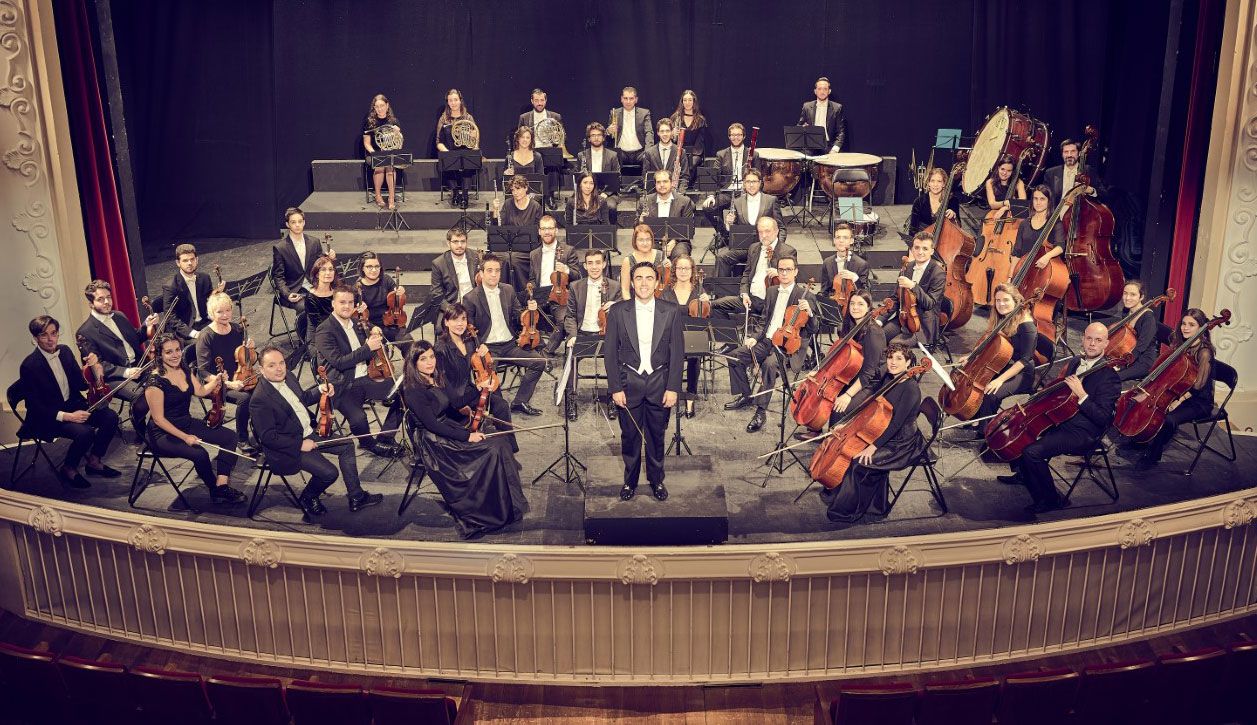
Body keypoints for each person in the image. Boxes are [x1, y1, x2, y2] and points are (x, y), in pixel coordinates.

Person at [402, 340, 525, 538]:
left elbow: (457, 401)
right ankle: (484, 512)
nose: (429, 362)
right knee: (492, 450)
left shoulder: (438, 377)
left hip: (447, 428)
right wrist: (468, 435)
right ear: (413, 363)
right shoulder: (413, 390)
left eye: (432, 357)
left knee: (501, 443)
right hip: (434, 443)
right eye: (423, 359)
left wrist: (479, 388)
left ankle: (504, 506)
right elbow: (433, 425)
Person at [996, 322, 1120, 514]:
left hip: (1084, 430)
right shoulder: (1076, 362)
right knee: (1021, 434)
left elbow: (1103, 419)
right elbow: (1061, 393)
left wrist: (1082, 395)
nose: (1092, 344)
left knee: (1032, 452)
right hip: (1062, 418)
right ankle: (1024, 474)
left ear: (1106, 344)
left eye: (1098, 340)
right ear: (1083, 339)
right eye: (1089, 338)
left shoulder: (1109, 377)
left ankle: (1051, 500)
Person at [249, 346, 383, 520]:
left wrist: (320, 390)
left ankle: (356, 497)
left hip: (308, 432)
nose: (279, 368)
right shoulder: (259, 399)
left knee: (347, 445)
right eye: (272, 365)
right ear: (261, 370)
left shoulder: (288, 376)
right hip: (286, 448)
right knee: (330, 473)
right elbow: (268, 438)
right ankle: (308, 497)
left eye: (281, 363)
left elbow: (302, 399)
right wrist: (300, 444)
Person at [603, 262, 684, 501]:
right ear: (632, 281)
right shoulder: (618, 311)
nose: (644, 283)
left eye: (649, 278)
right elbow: (610, 353)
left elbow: (677, 353)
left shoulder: (670, 310)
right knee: (629, 436)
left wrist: (672, 388)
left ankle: (657, 480)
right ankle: (630, 481)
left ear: (658, 283)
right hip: (629, 384)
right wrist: (615, 388)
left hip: (660, 382)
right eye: (639, 278)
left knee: (656, 435)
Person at [821, 344, 924, 523]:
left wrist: (873, 447)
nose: (893, 363)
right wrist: (846, 425)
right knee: (849, 448)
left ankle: (849, 510)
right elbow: (872, 409)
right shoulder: (889, 378)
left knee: (858, 460)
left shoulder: (910, 389)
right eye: (891, 358)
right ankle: (849, 495)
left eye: (899, 359)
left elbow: (896, 424)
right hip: (885, 432)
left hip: (901, 443)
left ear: (908, 363)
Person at [18, 315, 121, 488]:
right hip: (49, 416)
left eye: (54, 333)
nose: (51, 339)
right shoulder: (29, 366)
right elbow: (34, 407)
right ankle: (69, 468)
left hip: (73, 405)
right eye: (44, 335)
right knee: (85, 432)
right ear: (35, 338)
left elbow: (80, 384)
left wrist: (93, 368)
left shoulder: (64, 351)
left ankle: (94, 461)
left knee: (110, 417)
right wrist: (68, 417)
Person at [142, 333, 245, 504]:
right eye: (169, 352)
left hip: (185, 422)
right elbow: (159, 419)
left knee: (230, 437)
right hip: (162, 434)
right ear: (160, 355)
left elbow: (201, 391)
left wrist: (217, 380)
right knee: (200, 454)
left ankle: (221, 486)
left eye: (177, 350)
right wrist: (186, 437)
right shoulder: (155, 383)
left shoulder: (183, 368)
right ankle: (214, 489)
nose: (175, 355)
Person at [725, 256, 818, 434]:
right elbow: (763, 320)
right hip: (767, 340)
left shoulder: (806, 296)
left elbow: (813, 329)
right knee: (735, 357)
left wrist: (810, 313)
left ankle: (761, 411)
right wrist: (754, 337)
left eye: (788, 270)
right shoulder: (772, 291)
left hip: (788, 346)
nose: (783, 273)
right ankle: (746, 395)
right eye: (781, 269)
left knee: (769, 365)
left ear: (795, 272)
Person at [312, 285, 405, 457]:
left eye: (350, 302)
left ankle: (386, 436)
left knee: (405, 390)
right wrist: (367, 348)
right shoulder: (324, 330)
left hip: (367, 377)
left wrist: (375, 331)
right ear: (333, 304)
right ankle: (368, 444)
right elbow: (339, 362)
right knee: (359, 419)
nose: (347, 306)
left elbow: (373, 339)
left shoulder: (357, 323)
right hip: (342, 385)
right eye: (342, 302)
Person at [462, 254, 548, 416]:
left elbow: (517, 317)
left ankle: (520, 401)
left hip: (510, 344)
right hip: (488, 348)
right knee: (491, 384)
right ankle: (498, 408)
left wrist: (529, 311)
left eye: (497, 271)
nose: (494, 274)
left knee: (539, 362)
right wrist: (478, 347)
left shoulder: (508, 290)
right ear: (481, 273)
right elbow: (468, 331)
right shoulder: (470, 298)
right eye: (489, 271)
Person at [1132, 309, 1216, 468]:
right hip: (1178, 390)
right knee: (1147, 406)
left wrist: (1178, 401)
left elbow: (1198, 386)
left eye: (1192, 325)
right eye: (1184, 323)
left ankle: (1152, 456)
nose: (1186, 328)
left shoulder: (1205, 353)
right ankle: (1141, 440)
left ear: (1201, 328)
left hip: (1197, 401)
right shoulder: (1182, 343)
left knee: (1168, 418)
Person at [798, 290, 885, 435]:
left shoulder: (874, 333)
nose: (855, 308)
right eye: (852, 303)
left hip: (868, 382)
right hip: (850, 373)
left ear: (869, 307)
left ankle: (831, 440)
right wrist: (819, 371)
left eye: (860, 304)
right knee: (820, 391)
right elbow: (837, 355)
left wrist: (848, 395)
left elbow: (869, 373)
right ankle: (815, 427)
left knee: (839, 408)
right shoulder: (849, 325)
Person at [435, 303, 516, 450]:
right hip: (454, 398)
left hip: (469, 390)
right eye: (455, 319)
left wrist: (485, 351)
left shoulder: (469, 342)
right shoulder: (441, 348)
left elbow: (481, 362)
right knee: (498, 404)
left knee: (501, 405)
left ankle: (510, 449)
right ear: (446, 322)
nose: (460, 324)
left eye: (463, 319)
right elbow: (444, 385)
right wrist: (478, 388)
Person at [955, 284, 1037, 423]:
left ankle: (986, 430)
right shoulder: (1003, 317)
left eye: (1005, 300)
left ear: (1016, 301)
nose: (1001, 304)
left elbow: (1024, 360)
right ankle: (975, 418)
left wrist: (1000, 380)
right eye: (998, 300)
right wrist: (971, 357)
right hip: (1003, 363)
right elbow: (988, 343)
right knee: (978, 383)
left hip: (1021, 373)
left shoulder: (1027, 327)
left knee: (990, 393)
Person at [74, 279, 158, 405]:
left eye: (108, 297)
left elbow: (136, 338)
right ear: (91, 304)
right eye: (100, 299)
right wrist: (126, 372)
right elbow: (97, 366)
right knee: (143, 395)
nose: (107, 302)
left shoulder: (119, 316)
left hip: (139, 366)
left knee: (166, 382)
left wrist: (147, 325)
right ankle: (143, 424)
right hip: (114, 377)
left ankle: (160, 421)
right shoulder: (85, 332)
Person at [194, 292, 257, 454]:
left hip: (238, 376)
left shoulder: (237, 329)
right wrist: (228, 383)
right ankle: (242, 438)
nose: (225, 315)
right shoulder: (205, 336)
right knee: (245, 399)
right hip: (214, 383)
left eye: (228, 310)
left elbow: (245, 361)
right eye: (219, 312)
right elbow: (202, 371)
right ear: (211, 313)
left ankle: (261, 431)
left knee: (263, 389)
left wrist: (250, 349)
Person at [563, 248, 617, 419]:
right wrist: (572, 336)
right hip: (582, 334)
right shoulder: (575, 286)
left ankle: (613, 399)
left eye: (598, 263)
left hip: (606, 335)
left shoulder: (614, 286)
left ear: (604, 264)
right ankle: (571, 400)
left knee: (617, 358)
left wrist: (615, 305)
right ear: (585, 266)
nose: (594, 267)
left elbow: (626, 311)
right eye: (590, 263)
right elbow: (570, 316)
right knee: (570, 356)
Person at [711, 216, 797, 319]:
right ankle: (731, 333)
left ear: (776, 231)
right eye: (760, 232)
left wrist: (780, 273)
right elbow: (747, 274)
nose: (763, 236)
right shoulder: (754, 248)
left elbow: (794, 279)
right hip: (751, 299)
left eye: (767, 231)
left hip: (772, 303)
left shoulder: (787, 251)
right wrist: (744, 293)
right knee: (714, 306)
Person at [659, 254, 709, 419]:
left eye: (686, 268)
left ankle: (690, 397)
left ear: (692, 270)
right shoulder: (667, 291)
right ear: (674, 270)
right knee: (668, 355)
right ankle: (669, 392)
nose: (683, 271)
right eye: (679, 268)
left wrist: (707, 302)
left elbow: (706, 317)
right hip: (671, 338)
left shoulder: (699, 291)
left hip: (691, 338)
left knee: (695, 356)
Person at [710, 169, 786, 277]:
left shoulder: (771, 200)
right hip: (743, 248)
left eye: (754, 182)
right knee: (721, 256)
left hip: (765, 246)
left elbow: (781, 228)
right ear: (744, 184)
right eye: (748, 182)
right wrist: (729, 224)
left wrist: (778, 246)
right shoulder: (737, 202)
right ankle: (720, 292)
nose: (751, 185)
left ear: (760, 183)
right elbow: (733, 231)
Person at [271, 207, 331, 339]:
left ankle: (326, 338)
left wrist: (327, 258)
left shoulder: (314, 242)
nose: (297, 225)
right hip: (294, 290)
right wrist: (287, 294)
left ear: (304, 222)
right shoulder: (280, 248)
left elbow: (320, 265)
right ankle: (305, 343)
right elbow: (278, 276)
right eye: (293, 222)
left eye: (300, 221)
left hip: (312, 285)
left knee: (330, 300)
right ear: (287, 225)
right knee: (305, 307)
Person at [879, 232, 945, 347]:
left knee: (895, 345)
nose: (920, 252)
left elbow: (930, 303)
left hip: (923, 326)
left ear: (932, 251)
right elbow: (896, 298)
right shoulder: (907, 267)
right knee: (878, 336)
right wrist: (881, 319)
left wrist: (913, 286)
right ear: (912, 249)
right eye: (917, 248)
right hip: (903, 319)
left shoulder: (938, 273)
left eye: (925, 248)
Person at [527, 215, 581, 355]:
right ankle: (536, 348)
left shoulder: (568, 250)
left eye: (550, 228)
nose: (547, 232)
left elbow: (578, 277)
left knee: (564, 320)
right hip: (540, 296)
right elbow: (533, 279)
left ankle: (546, 352)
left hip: (560, 297)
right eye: (544, 229)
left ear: (556, 230)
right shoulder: (534, 254)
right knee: (521, 318)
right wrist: (530, 288)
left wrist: (566, 270)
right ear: (539, 231)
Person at [491, 175, 543, 292]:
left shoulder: (535, 206)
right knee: (503, 258)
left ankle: (523, 292)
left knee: (513, 259)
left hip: (528, 249)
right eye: (513, 190)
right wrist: (495, 211)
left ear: (526, 188)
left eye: (518, 188)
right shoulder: (508, 204)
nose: (515, 192)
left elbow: (538, 232)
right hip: (509, 247)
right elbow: (498, 227)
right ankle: (502, 292)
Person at [636, 170, 695, 260]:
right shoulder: (644, 201)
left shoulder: (684, 201)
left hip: (678, 241)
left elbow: (689, 229)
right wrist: (640, 221)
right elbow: (636, 229)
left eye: (665, 181)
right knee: (648, 252)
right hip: (652, 241)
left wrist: (674, 242)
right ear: (655, 184)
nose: (662, 185)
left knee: (680, 254)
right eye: (658, 182)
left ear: (672, 183)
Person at [160, 243, 214, 340]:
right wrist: (193, 333)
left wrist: (217, 295)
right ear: (178, 263)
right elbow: (170, 317)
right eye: (185, 260)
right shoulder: (171, 286)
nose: (189, 263)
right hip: (185, 330)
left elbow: (211, 301)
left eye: (192, 259)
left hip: (205, 323)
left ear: (196, 260)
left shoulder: (205, 278)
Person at [435, 88, 477, 206]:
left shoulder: (468, 118)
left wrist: (473, 137)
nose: (453, 103)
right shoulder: (443, 119)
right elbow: (438, 141)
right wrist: (447, 152)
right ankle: (455, 193)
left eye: (455, 100)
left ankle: (464, 196)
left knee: (467, 164)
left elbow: (474, 140)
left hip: (465, 151)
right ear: (447, 102)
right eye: (450, 100)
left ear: (460, 101)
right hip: (449, 151)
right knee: (448, 161)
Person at [353, 251, 406, 345]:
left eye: (377, 266)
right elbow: (354, 316)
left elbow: (397, 298)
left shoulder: (386, 280)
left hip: (391, 322)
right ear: (362, 268)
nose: (374, 270)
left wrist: (400, 292)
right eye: (369, 266)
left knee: (409, 345)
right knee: (379, 355)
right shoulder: (357, 287)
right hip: (370, 326)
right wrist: (358, 308)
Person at [427, 227, 478, 321]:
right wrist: (451, 310)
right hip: (452, 305)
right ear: (448, 243)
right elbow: (436, 293)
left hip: (474, 305)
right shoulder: (439, 263)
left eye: (463, 241)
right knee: (441, 329)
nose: (460, 245)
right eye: (455, 241)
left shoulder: (475, 257)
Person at [1115, 280, 1161, 382]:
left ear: (1141, 297)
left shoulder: (1148, 318)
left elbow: (1141, 347)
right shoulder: (1126, 311)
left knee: (1113, 377)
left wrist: (1122, 365)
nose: (1127, 298)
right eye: (1125, 293)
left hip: (1143, 361)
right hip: (1128, 355)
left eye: (1133, 295)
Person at [1012, 185, 1066, 272]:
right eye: (1035, 198)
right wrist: (1010, 276)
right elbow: (1016, 253)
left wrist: (1047, 256)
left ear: (1049, 201)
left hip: (1042, 271)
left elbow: (1060, 247)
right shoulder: (1024, 224)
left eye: (1042, 199)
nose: (1038, 202)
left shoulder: (1055, 223)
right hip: (1022, 270)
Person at [362, 93, 402, 209]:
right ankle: (378, 195)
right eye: (377, 106)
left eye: (382, 106)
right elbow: (367, 143)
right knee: (380, 166)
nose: (380, 109)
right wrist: (375, 153)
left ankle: (391, 197)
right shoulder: (369, 122)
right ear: (374, 108)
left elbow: (399, 142)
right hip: (374, 153)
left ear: (387, 105)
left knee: (390, 165)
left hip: (390, 152)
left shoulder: (394, 121)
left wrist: (397, 132)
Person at [1043, 137, 1105, 203]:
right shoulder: (1051, 173)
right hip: (1057, 211)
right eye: (1066, 152)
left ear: (1079, 153)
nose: (1069, 155)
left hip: (1082, 211)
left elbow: (1104, 194)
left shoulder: (1088, 170)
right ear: (1062, 154)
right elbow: (1045, 197)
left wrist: (1091, 191)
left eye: (1073, 151)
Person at [819, 223, 872, 300]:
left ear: (851, 241)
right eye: (838, 237)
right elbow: (824, 291)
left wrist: (855, 278)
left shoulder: (861, 264)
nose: (841, 240)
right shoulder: (827, 262)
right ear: (834, 241)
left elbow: (865, 293)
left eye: (845, 238)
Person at [668, 89, 710, 182]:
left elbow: (700, 141)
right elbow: (670, 139)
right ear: (682, 102)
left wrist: (693, 154)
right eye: (685, 100)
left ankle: (687, 185)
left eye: (690, 100)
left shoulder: (700, 120)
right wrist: (672, 135)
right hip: (678, 150)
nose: (687, 103)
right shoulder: (675, 117)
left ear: (694, 102)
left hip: (695, 152)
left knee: (691, 163)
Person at [620, 223, 669, 301]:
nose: (645, 243)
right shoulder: (628, 261)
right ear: (635, 241)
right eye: (641, 240)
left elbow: (668, 283)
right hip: (635, 301)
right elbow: (625, 290)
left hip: (659, 301)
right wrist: (631, 308)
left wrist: (670, 267)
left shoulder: (661, 256)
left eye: (648, 239)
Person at [607, 86, 653, 169]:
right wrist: (608, 131)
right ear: (621, 99)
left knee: (649, 161)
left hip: (640, 153)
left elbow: (649, 132)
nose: (628, 101)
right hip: (621, 153)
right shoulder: (614, 113)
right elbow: (610, 137)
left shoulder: (644, 113)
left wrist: (648, 151)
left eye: (631, 98)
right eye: (625, 98)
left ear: (636, 99)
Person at [641, 119, 690, 192]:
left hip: (674, 195)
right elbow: (646, 177)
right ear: (658, 133)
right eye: (662, 131)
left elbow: (685, 177)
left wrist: (679, 194)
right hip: (656, 195)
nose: (665, 134)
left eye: (667, 131)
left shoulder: (681, 152)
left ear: (671, 132)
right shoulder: (649, 153)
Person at [908, 167, 959, 237]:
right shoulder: (919, 201)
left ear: (944, 184)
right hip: (923, 239)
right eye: (932, 181)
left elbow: (958, 226)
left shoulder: (953, 200)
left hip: (944, 239)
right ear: (928, 183)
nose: (935, 185)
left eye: (939, 181)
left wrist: (954, 217)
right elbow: (913, 228)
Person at [798, 77, 845, 151]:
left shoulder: (837, 108)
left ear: (829, 91)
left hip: (828, 147)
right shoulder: (806, 106)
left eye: (825, 89)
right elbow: (799, 127)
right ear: (815, 91)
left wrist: (835, 149)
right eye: (819, 89)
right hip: (810, 146)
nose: (822, 91)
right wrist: (803, 128)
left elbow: (840, 132)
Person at [303, 256, 339, 341]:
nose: (328, 273)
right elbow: (320, 327)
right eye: (323, 270)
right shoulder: (310, 298)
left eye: (331, 269)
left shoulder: (337, 291)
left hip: (337, 330)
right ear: (317, 274)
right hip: (319, 337)